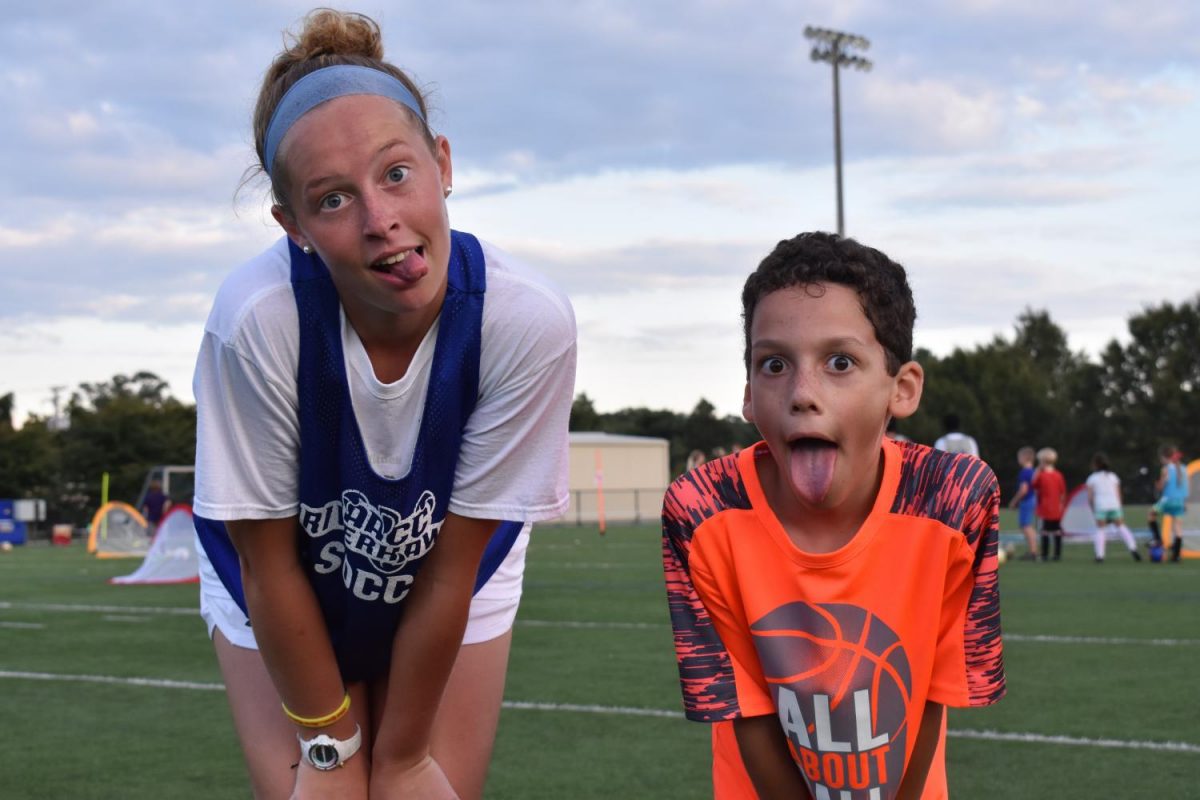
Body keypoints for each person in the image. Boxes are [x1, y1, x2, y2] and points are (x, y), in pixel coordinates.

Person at [190, 10, 576, 799]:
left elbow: (451, 570)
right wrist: (331, 756)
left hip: (448, 567)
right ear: (291, 226)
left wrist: (400, 759)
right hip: (278, 573)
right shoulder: (257, 321)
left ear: (442, 162)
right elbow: (268, 567)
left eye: (396, 174)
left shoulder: (524, 320)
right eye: (331, 201)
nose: (380, 220)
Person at [662, 232, 1005, 799]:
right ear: (748, 395)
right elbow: (746, 711)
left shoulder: (954, 499)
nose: (802, 392)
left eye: (840, 362)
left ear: (902, 388)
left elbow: (931, 701)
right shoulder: (702, 512)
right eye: (774, 364)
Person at [1084, 453, 1141, 562]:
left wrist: (1092, 508)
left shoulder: (1092, 478)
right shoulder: (1113, 476)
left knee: (1100, 529)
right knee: (1121, 526)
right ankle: (1133, 549)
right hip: (1114, 504)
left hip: (1100, 505)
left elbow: (1090, 497)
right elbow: (1118, 493)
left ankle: (1100, 556)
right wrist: (1119, 506)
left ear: (1095, 465)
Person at [1146, 444, 1189, 562]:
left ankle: (1158, 539)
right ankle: (1176, 555)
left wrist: (1157, 484)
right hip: (1180, 501)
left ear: (1165, 457)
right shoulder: (1184, 468)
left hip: (1168, 500)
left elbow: (1161, 487)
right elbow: (1185, 487)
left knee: (1151, 514)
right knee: (1177, 528)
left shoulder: (1166, 469)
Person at [1031, 447, 1067, 562]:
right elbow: (1062, 493)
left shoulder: (1041, 475)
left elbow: (1033, 485)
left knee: (1044, 531)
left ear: (1042, 461)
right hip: (1057, 509)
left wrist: (1037, 470)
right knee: (1057, 531)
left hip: (1044, 509)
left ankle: (1045, 555)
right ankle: (1057, 555)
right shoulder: (1058, 475)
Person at [1007, 446, 1039, 560]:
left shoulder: (1024, 472)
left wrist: (1014, 501)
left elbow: (1023, 489)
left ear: (1025, 458)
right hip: (1033, 499)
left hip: (1027, 500)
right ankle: (1032, 550)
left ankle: (1033, 552)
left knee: (1026, 526)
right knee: (1027, 526)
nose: (1018, 460)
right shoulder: (1034, 471)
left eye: (1019, 457)